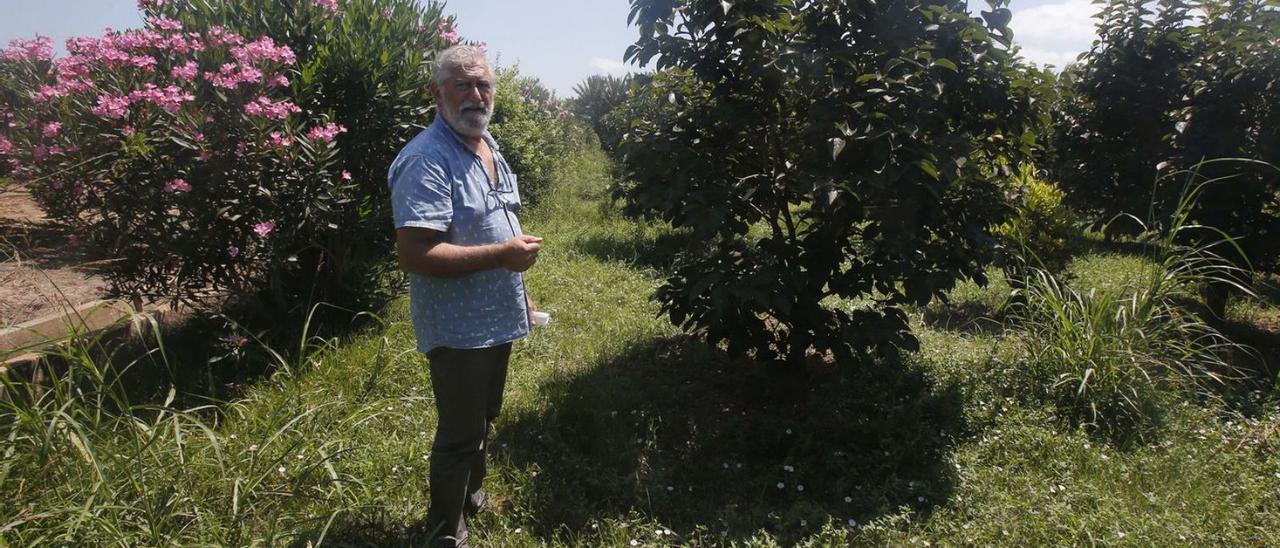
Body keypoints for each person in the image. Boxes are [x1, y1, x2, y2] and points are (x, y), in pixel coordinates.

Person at [387, 44, 542, 548]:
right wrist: (502, 256)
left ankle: (469, 499)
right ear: (436, 93)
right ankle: (443, 531)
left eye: (484, 85)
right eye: (463, 85)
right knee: (459, 434)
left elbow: (504, 225)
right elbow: (416, 254)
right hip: (460, 329)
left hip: (498, 318)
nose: (477, 95)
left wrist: (522, 294)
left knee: (484, 417)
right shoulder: (427, 159)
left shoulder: (487, 144)